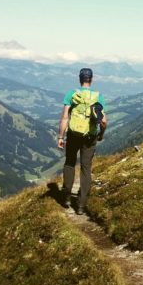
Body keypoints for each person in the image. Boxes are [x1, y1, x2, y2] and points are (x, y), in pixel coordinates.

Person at [57, 67, 107, 213]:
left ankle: (66, 197)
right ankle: (81, 205)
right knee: (86, 168)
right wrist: (101, 134)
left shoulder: (72, 94)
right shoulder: (98, 97)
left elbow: (65, 117)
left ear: (80, 79)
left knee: (70, 163)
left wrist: (60, 136)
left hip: (73, 135)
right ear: (91, 79)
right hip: (90, 137)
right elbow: (103, 121)